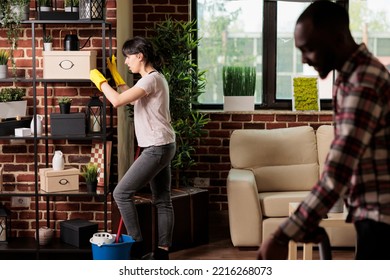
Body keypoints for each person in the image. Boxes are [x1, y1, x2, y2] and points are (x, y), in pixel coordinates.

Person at [257, 0, 390, 260]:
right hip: (373, 214)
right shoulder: (350, 76)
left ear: (338, 38)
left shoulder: (363, 83)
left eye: (309, 49)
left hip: (381, 218)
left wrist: (282, 235)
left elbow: (338, 170)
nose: (305, 59)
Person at [90, 36, 176, 260]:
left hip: (156, 147)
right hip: (163, 144)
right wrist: (117, 76)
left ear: (140, 56)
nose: (126, 62)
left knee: (121, 193)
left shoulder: (150, 81)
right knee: (162, 199)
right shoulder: (153, 80)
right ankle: (162, 254)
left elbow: (117, 101)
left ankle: (137, 247)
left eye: (128, 57)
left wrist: (100, 82)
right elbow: (130, 97)